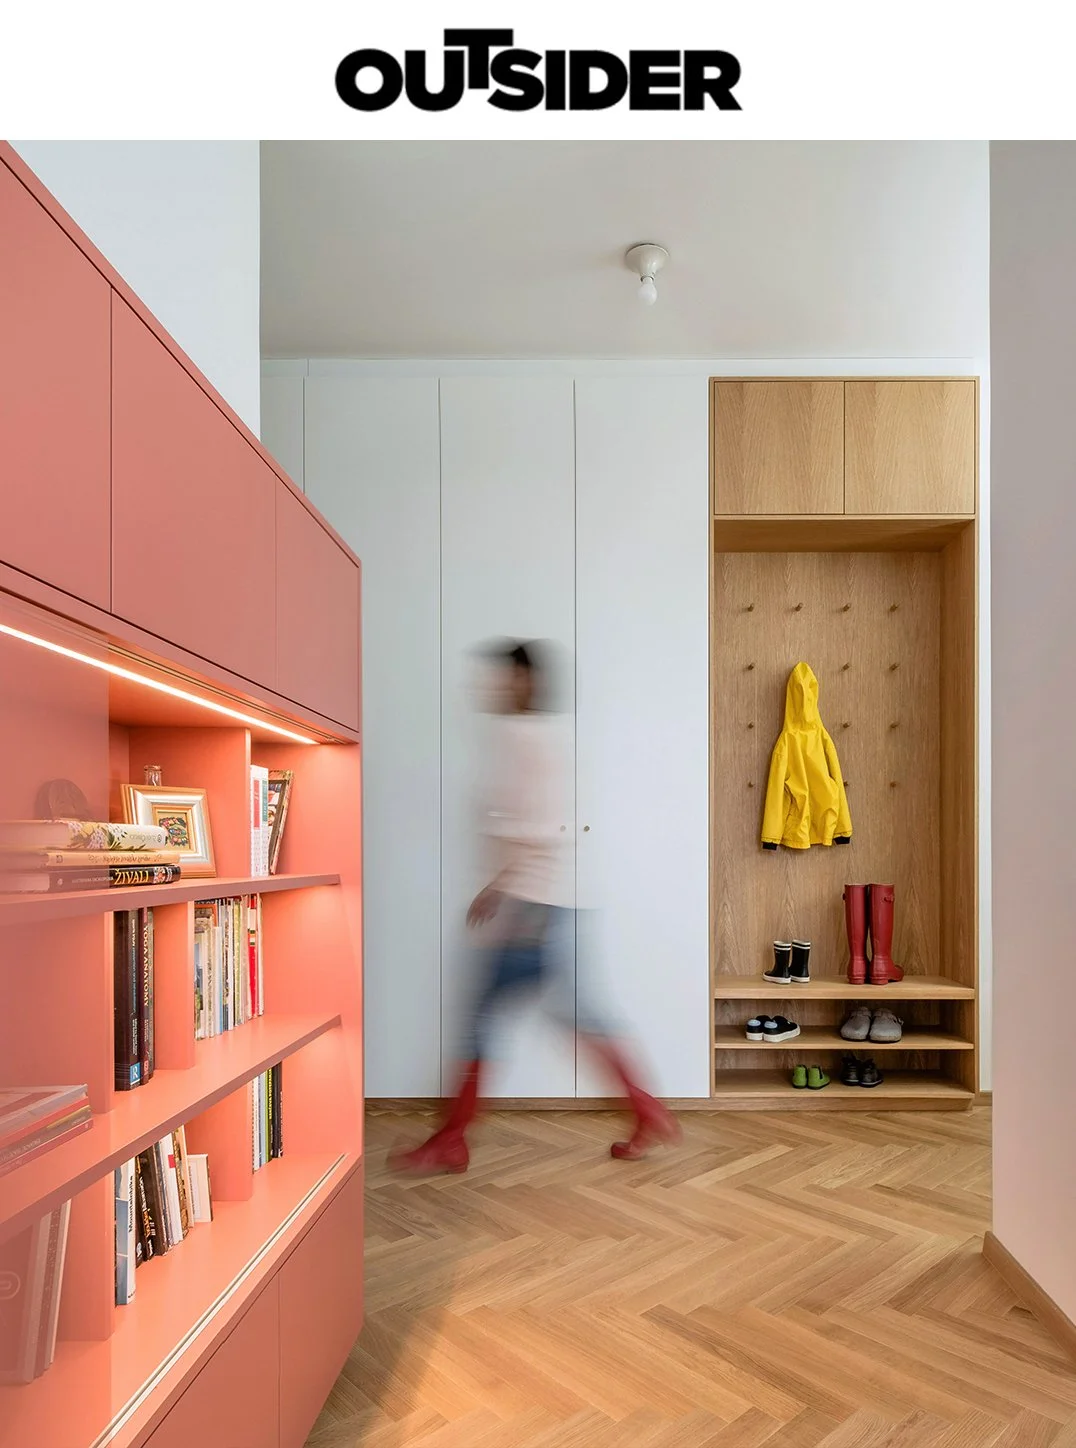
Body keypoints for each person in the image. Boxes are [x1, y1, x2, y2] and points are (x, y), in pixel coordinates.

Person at [389, 640, 681, 1175]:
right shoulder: (540, 737)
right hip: (550, 902)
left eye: (503, 677)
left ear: (524, 681)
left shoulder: (524, 738)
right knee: (574, 1013)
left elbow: (546, 825)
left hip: (534, 904)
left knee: (483, 1016)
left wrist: (497, 887)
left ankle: (453, 1139)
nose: (493, 687)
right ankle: (647, 1112)